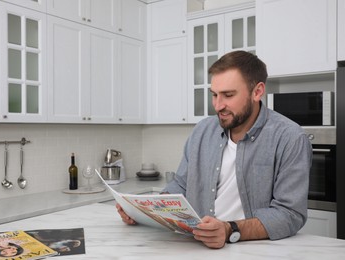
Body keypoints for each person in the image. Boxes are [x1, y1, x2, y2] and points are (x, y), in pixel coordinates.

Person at [116, 50, 312, 249]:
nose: (218, 106)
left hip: (252, 248)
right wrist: (146, 210)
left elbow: (290, 214)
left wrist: (229, 230)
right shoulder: (202, 130)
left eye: (228, 95)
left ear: (257, 91)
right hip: (197, 245)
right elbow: (181, 186)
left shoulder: (290, 138)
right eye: (214, 95)